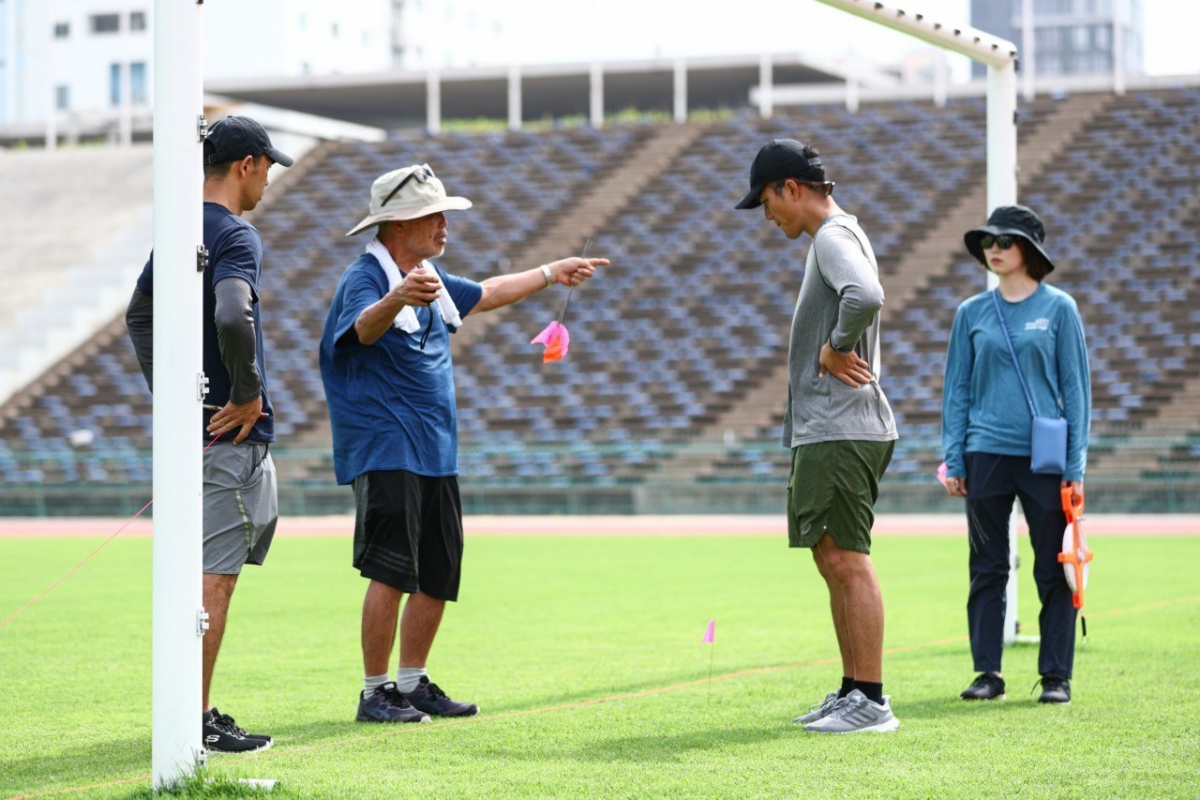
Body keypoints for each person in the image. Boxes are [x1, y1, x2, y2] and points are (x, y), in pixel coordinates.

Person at [319, 163, 607, 724]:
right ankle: (375, 690)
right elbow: (359, 331)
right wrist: (398, 297)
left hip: (434, 449)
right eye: (435, 214)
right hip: (387, 446)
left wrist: (551, 271)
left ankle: (412, 681)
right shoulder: (367, 277)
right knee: (391, 571)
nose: (446, 223)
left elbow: (489, 292)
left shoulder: (424, 272)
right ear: (401, 223)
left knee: (438, 570)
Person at [125, 115, 293, 752]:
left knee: (202, 573)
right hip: (227, 438)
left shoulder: (174, 231)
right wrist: (246, 392)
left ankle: (189, 710)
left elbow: (138, 315)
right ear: (248, 164)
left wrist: (168, 395)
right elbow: (231, 310)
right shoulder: (237, 234)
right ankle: (192, 719)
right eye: (268, 166)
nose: (269, 180)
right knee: (214, 580)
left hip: (192, 434)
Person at [735, 139, 899, 734]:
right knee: (832, 558)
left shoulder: (832, 236)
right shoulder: (834, 236)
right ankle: (855, 689)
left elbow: (867, 295)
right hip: (830, 427)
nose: (767, 214)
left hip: (841, 426)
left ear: (792, 188)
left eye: (766, 201)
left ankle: (872, 701)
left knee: (847, 561)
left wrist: (836, 347)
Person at [941, 204, 1091, 705]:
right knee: (987, 567)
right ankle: (987, 672)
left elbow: (1077, 392)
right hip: (985, 455)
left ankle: (1056, 676)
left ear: (1028, 249)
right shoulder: (971, 313)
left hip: (1045, 462)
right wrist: (955, 457)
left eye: (1004, 241)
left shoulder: (1060, 309)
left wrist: (1075, 469)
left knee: (1054, 567)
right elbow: (956, 390)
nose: (994, 249)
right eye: (988, 241)